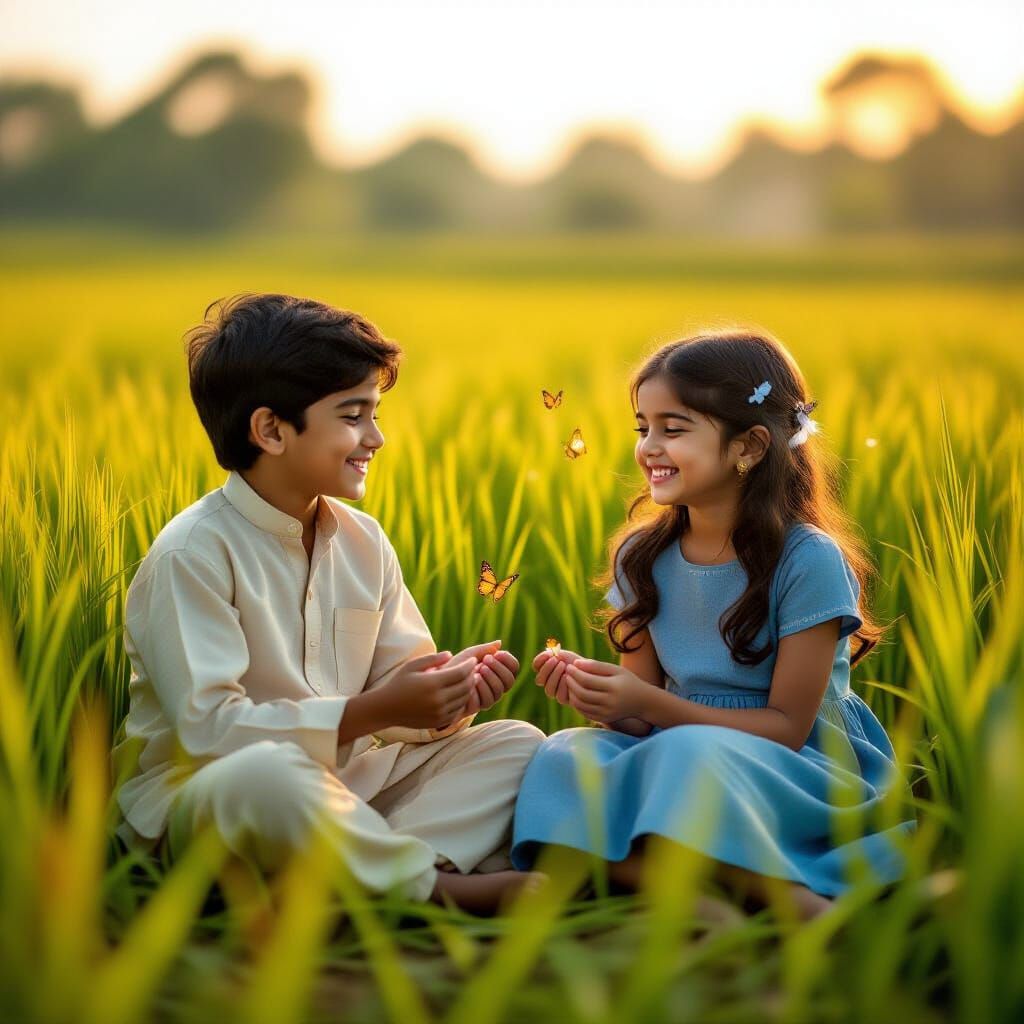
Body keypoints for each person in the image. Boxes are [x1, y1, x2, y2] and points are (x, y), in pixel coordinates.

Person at [112, 292, 545, 914]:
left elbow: (396, 697)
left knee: (515, 742)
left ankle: (358, 881)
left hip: (343, 791)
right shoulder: (193, 552)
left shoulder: (363, 540)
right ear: (270, 430)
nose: (377, 436)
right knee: (264, 778)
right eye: (352, 415)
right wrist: (375, 709)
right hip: (219, 800)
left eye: (375, 413)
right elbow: (208, 733)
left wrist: (448, 697)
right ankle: (431, 887)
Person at [511, 328, 916, 920]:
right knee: (563, 755)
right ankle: (688, 888)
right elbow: (638, 712)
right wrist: (600, 696)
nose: (649, 446)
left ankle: (782, 898)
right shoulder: (642, 556)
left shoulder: (806, 559)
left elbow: (787, 727)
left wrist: (651, 708)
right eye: (642, 428)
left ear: (749, 447)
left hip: (796, 763)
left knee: (690, 755)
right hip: (682, 747)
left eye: (672, 430)